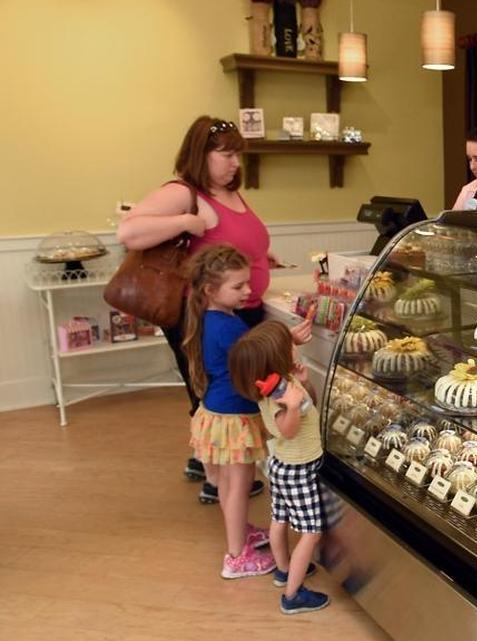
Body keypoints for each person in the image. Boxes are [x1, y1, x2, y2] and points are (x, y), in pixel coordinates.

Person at [117, 115, 303, 503]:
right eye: (226, 154)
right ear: (201, 154)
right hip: (207, 314)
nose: (235, 163)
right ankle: (219, 481)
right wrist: (188, 221)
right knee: (219, 394)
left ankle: (208, 463)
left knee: (224, 393)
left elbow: (230, 239)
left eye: (238, 154)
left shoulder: (227, 192)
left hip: (241, 307)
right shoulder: (185, 192)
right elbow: (129, 232)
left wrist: (261, 256)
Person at [181, 245, 279, 577]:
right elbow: (256, 364)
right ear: (210, 290)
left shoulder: (211, 318)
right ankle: (237, 557)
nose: (248, 291)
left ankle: (241, 533)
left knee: (226, 483)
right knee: (240, 485)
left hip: (216, 412)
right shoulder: (230, 328)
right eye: (238, 286)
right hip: (235, 416)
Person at [230, 320, 331, 615]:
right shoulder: (278, 397)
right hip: (299, 470)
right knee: (311, 532)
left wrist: (304, 383)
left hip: (282, 466)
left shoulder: (281, 382)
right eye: (289, 346)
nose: (294, 346)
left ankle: (284, 570)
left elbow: (307, 405)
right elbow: (287, 430)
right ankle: (293, 595)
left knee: (279, 519)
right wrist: (290, 405)